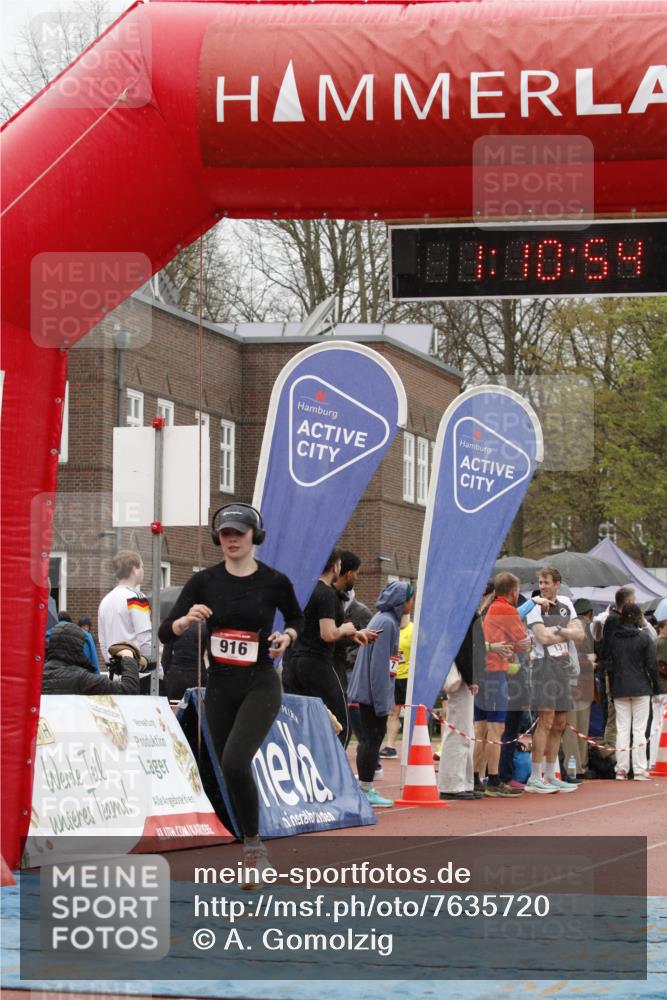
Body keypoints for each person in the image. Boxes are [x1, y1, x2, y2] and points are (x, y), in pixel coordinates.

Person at [158, 503, 304, 881]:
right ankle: (251, 842)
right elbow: (164, 631)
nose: (232, 539)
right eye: (225, 534)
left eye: (239, 532)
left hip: (260, 682)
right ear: (217, 539)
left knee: (237, 760)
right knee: (228, 768)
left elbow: (296, 618)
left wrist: (286, 636)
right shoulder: (204, 581)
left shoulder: (274, 581)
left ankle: (254, 850)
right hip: (219, 685)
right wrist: (186, 621)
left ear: (255, 536)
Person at [285, 548, 373, 745]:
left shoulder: (305, 591)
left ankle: (307, 768)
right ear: (335, 567)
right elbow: (328, 634)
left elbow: (312, 629)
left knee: (305, 723)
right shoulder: (326, 594)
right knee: (342, 725)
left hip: (296, 663)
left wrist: (353, 634)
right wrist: (347, 628)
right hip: (317, 662)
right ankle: (334, 772)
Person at [347, 580, 414, 808]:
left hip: (368, 690)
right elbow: (380, 665)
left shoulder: (383, 619)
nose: (412, 603)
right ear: (401, 601)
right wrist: (381, 700)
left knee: (370, 739)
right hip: (371, 692)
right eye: (410, 599)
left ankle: (365, 787)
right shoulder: (387, 623)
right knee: (372, 739)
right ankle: (365, 788)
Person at [525, 565, 584, 794]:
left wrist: (558, 629)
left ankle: (551, 774)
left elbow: (579, 634)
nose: (542, 586)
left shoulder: (567, 604)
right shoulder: (535, 607)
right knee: (546, 720)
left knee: (560, 723)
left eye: (546, 582)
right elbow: (542, 637)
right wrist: (564, 630)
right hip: (543, 667)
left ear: (557, 584)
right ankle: (534, 776)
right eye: (540, 582)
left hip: (562, 667)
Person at [475, 573, 530, 797]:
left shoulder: (487, 608)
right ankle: (494, 779)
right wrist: (521, 644)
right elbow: (522, 641)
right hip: (496, 673)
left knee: (480, 729)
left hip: (480, 673)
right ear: (513, 592)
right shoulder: (506, 609)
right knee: (496, 729)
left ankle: (476, 778)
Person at [609, 602, 659, 780]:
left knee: (622, 729)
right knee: (639, 729)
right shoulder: (644, 637)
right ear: (637, 617)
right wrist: (656, 688)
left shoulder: (614, 638)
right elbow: (652, 665)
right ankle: (639, 769)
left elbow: (609, 664)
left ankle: (621, 769)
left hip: (620, 687)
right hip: (641, 687)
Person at [437, 611, 484, 800]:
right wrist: (471, 676)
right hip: (463, 678)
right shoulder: (464, 612)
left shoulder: (464, 610)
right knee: (459, 730)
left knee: (465, 732)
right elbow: (465, 647)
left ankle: (462, 782)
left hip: (465, 676)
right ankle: (452, 784)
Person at [98, 550, 153, 685]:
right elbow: (145, 639)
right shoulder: (137, 598)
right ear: (134, 570)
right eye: (141, 566)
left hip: (116, 675)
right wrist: (152, 667)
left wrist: (112, 666)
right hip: (140, 675)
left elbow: (103, 642)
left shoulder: (105, 601)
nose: (143, 570)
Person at [42, 622, 140, 695]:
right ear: (77, 647)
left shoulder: (36, 677)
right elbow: (129, 689)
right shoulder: (82, 678)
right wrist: (128, 657)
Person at [561, 597, 597, 779]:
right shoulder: (590, 628)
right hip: (585, 684)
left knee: (570, 729)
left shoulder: (568, 627)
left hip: (570, 683)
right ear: (589, 613)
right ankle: (581, 766)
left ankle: (571, 767)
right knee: (582, 729)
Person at [379, 602, 414, 759]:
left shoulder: (413, 630)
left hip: (409, 678)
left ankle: (415, 745)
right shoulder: (391, 628)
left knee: (414, 712)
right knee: (393, 712)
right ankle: (390, 746)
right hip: (394, 676)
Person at [161, 624, 207, 700]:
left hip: (176, 677)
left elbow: (166, 657)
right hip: (198, 675)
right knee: (197, 708)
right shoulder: (204, 627)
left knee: (174, 707)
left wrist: (165, 676)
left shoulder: (173, 626)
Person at [650, 618, 667, 771]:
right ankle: (657, 758)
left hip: (657, 688)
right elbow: (661, 665)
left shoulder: (655, 642)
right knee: (661, 725)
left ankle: (653, 759)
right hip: (663, 688)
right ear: (661, 628)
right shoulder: (662, 643)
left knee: (656, 724)